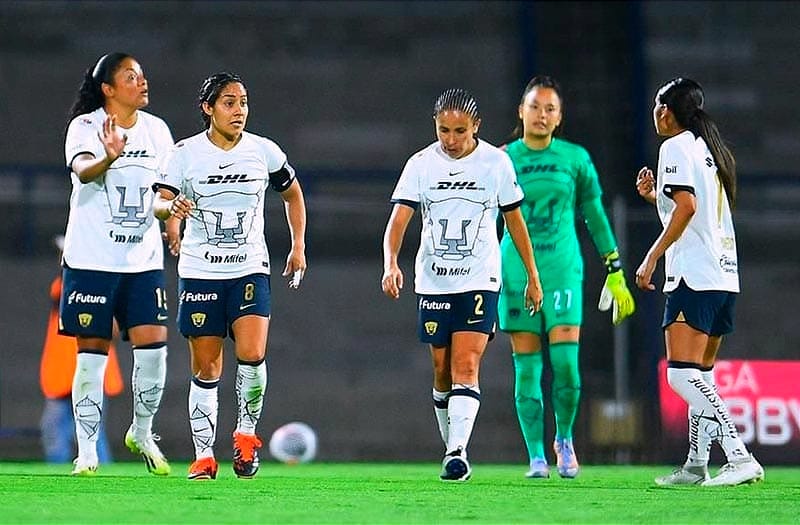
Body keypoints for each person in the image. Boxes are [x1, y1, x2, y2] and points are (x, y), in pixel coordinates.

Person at [381, 88, 543, 482]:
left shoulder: (496, 163)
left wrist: (532, 276)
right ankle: (452, 445)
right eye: (443, 130)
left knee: (465, 364)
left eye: (459, 131)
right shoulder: (420, 164)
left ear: (476, 127)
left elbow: (516, 223)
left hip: (479, 278)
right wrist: (390, 264)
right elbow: (398, 221)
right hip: (433, 281)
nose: (450, 140)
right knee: (440, 370)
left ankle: (456, 453)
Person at [153, 72, 307, 481]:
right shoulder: (184, 154)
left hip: (249, 268)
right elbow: (158, 202)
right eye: (228, 103)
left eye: (243, 102)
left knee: (253, 354)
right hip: (201, 273)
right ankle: (204, 455)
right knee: (206, 369)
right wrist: (171, 211)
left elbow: (292, 192)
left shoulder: (264, 151)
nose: (239, 111)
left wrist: (298, 245)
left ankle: (245, 436)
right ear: (208, 108)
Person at [496, 75, 636, 479]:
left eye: (550, 108)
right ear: (520, 111)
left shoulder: (575, 158)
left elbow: (594, 213)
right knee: (526, 368)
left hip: (562, 269)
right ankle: (536, 454)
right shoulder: (501, 159)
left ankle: (565, 438)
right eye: (535, 106)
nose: (542, 114)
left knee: (566, 365)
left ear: (560, 117)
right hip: (517, 270)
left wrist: (615, 268)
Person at [634, 77, 763, 486]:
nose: (655, 112)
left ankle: (740, 456)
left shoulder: (673, 146)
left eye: (658, 105)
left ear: (666, 112)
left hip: (693, 274)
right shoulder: (709, 149)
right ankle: (695, 464)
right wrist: (658, 199)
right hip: (724, 275)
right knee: (700, 375)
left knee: (679, 375)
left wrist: (652, 256)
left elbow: (687, 208)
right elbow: (693, 207)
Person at [62, 52, 174, 476]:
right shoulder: (86, 126)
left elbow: (164, 192)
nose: (142, 82)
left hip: (142, 260)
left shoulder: (158, 130)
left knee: (154, 352)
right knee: (91, 355)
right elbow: (84, 172)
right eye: (131, 77)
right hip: (92, 258)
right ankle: (87, 451)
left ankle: (141, 432)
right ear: (108, 89)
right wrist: (109, 157)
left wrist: (170, 216)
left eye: (142, 75)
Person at [40, 236, 124, 464]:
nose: (62, 258)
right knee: (56, 430)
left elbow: (115, 329)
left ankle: (102, 483)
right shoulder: (62, 285)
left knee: (90, 431)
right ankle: (59, 485)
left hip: (90, 367)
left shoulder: (101, 283)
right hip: (61, 372)